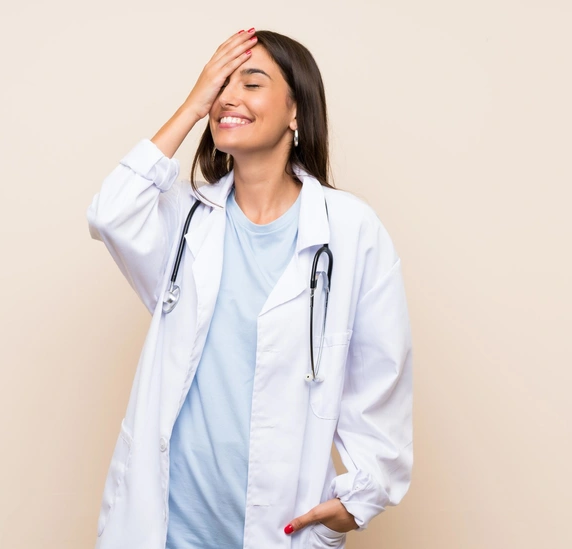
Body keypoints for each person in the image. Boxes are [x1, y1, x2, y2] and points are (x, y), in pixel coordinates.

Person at [86, 28, 414, 549]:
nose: (228, 98)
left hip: (276, 526)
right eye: (221, 85)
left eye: (252, 83)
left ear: (296, 111)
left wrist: (359, 499)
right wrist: (192, 106)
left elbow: (383, 371)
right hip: (166, 526)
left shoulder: (350, 230)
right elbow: (110, 213)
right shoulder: (186, 217)